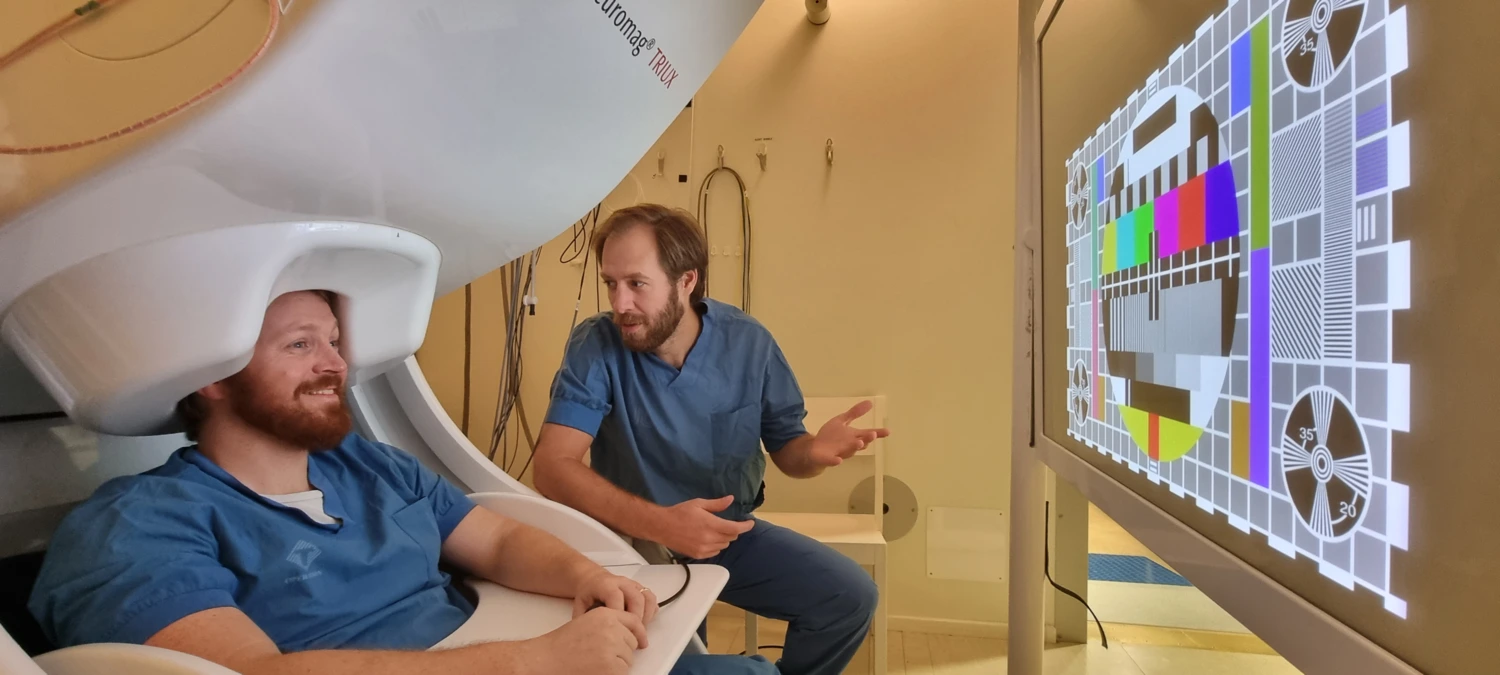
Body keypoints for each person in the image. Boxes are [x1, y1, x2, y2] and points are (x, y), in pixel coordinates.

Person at [27, 289, 775, 675]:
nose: (333, 363)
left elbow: (502, 538)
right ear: (212, 376)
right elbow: (256, 674)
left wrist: (586, 575)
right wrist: (533, 661)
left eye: (333, 341)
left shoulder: (368, 464)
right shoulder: (137, 525)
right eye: (299, 344)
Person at [533, 204, 890, 675]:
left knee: (849, 598)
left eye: (637, 284)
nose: (619, 304)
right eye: (611, 284)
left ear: (686, 281)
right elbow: (552, 467)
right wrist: (661, 524)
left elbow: (791, 453)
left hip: (728, 537)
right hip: (631, 547)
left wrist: (815, 453)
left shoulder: (749, 343)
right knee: (672, 660)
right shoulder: (597, 345)